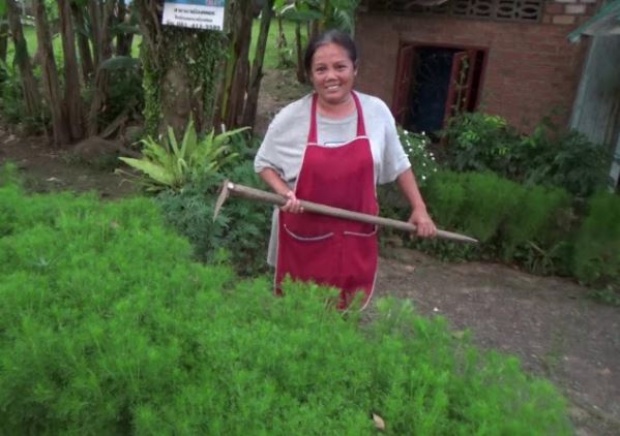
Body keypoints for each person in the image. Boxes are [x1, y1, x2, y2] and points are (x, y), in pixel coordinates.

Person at [253, 29, 436, 310]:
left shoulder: (376, 112)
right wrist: (285, 193)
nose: (331, 77)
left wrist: (419, 208)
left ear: (355, 69)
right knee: (299, 318)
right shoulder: (293, 117)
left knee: (346, 317)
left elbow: (399, 163)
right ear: (310, 75)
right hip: (304, 238)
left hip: (354, 238)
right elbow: (263, 163)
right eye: (321, 69)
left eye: (340, 67)